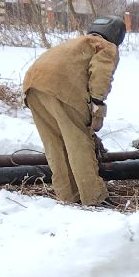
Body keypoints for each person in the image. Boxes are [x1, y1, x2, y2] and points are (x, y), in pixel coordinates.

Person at [21, 15, 123, 206]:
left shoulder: (74, 43)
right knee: (79, 144)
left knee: (55, 146)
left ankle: (67, 198)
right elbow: (101, 75)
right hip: (62, 89)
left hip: (32, 87)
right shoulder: (105, 46)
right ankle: (94, 199)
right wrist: (97, 105)